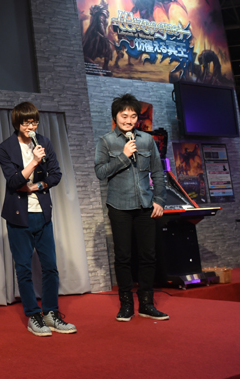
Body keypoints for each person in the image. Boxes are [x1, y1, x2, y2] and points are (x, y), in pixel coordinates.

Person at [0, 102, 76, 337]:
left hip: (42, 213)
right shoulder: (5, 148)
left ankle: (51, 313)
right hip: (18, 216)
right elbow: (13, 182)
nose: (30, 127)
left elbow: (56, 174)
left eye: (34, 122)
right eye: (26, 122)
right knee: (24, 269)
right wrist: (33, 161)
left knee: (50, 267)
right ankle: (33, 315)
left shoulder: (44, 142)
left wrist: (37, 186)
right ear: (17, 123)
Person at [94, 93, 168, 322]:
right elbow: (100, 172)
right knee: (123, 256)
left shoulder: (146, 140)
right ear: (115, 117)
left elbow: (158, 172)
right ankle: (126, 304)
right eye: (124, 116)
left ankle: (146, 304)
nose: (129, 120)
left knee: (148, 255)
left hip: (145, 205)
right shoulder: (106, 141)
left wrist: (159, 200)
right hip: (119, 206)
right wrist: (124, 156)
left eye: (133, 116)